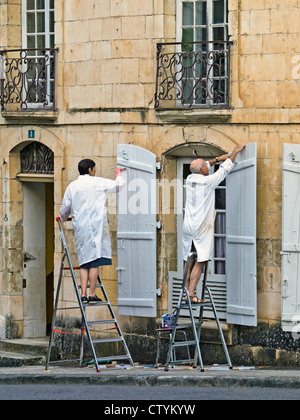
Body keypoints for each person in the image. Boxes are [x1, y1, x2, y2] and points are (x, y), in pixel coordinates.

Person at [182, 144, 246, 304]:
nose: (207, 166)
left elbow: (203, 166)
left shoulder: (190, 179)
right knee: (202, 259)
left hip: (187, 225)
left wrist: (217, 159)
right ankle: (190, 294)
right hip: (201, 226)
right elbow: (224, 170)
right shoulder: (208, 182)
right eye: (205, 165)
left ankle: (184, 292)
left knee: (187, 259)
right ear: (202, 170)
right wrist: (235, 153)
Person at [60, 159, 126, 304]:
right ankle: (91, 293)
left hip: (81, 228)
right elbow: (117, 186)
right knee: (94, 261)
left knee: (84, 261)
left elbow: (65, 207)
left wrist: (63, 218)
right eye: (94, 168)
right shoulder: (97, 182)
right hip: (97, 226)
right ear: (90, 169)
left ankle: (82, 293)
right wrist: (118, 174)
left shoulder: (73, 186)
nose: (95, 171)